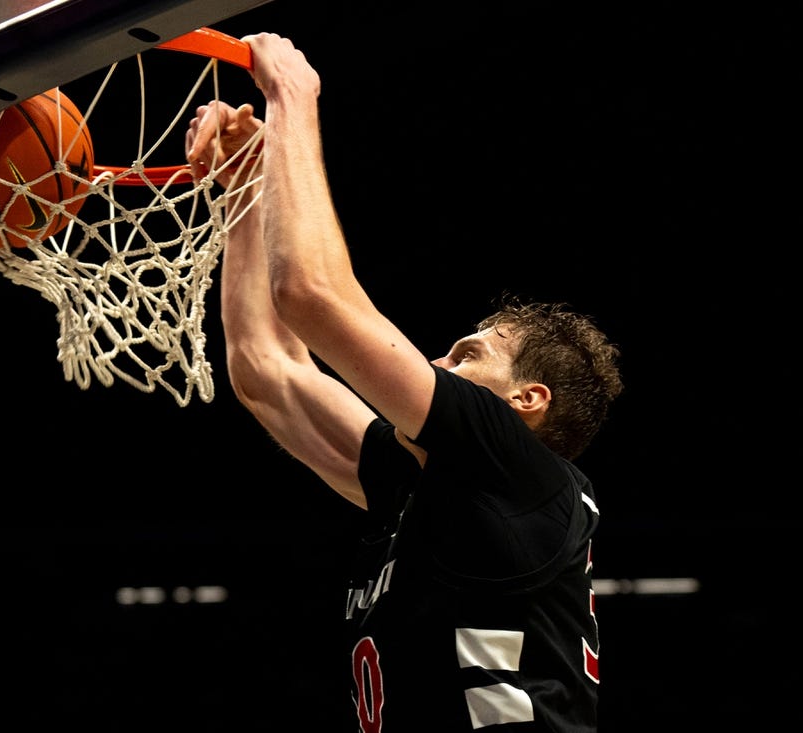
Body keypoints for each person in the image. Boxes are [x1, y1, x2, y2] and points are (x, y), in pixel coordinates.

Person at [186, 32, 624, 733]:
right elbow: (268, 371)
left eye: (467, 353)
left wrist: (292, 98)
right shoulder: (427, 486)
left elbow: (310, 293)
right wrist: (245, 181)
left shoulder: (518, 469)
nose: (435, 364)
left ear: (525, 401)